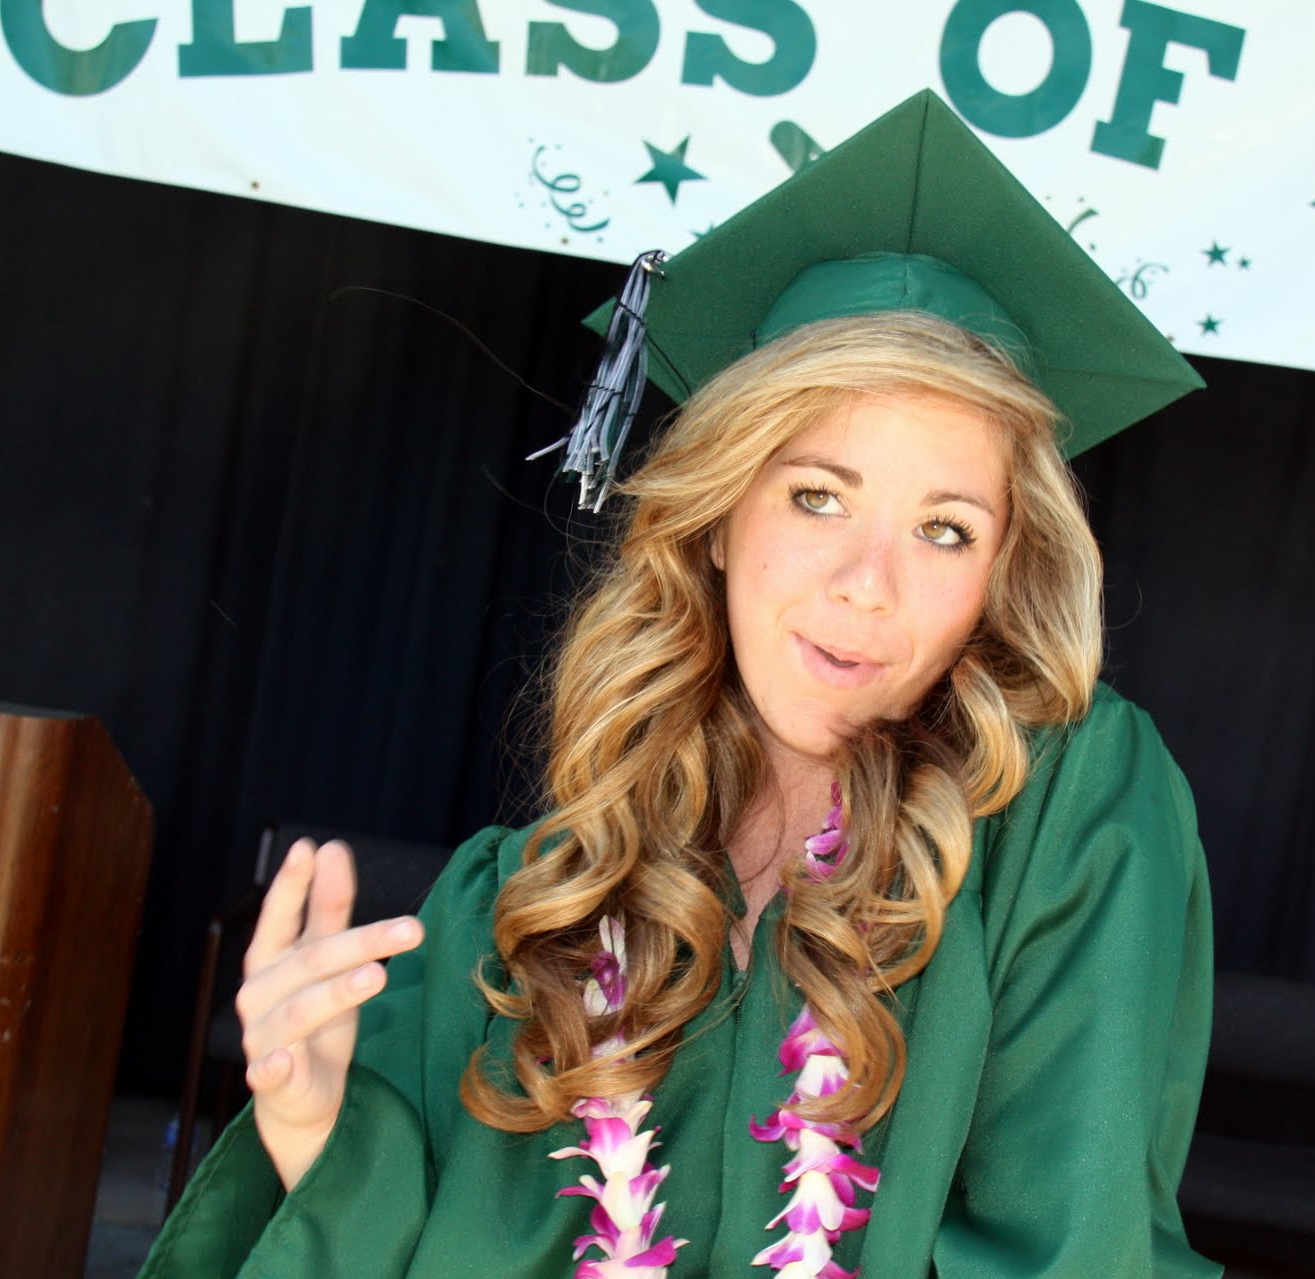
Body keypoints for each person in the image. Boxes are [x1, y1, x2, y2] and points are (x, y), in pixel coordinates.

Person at [141, 91, 1219, 1277]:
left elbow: (1075, 1241)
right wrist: (312, 1128)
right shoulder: (540, 893)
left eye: (946, 529)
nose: (870, 583)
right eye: (818, 496)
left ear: (1002, 569)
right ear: (715, 517)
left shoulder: (1072, 814)